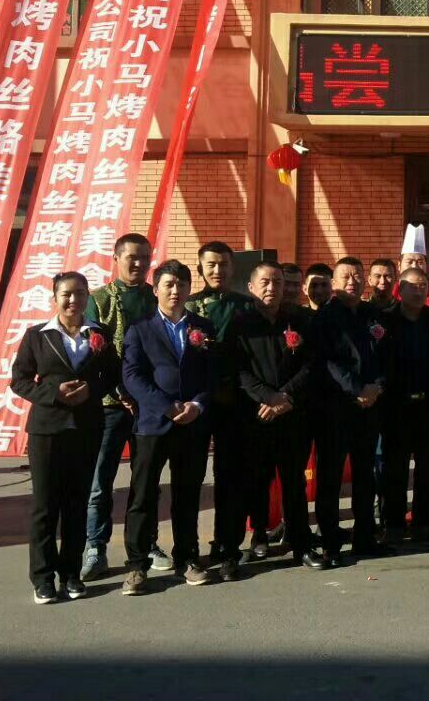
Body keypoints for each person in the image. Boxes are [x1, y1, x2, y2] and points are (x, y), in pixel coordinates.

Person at [13, 272, 120, 604]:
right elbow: (19, 380)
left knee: (77, 504)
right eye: (66, 294)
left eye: (80, 293)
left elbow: (113, 374)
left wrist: (92, 390)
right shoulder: (37, 335)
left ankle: (71, 573)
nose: (73, 300)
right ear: (55, 297)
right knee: (46, 506)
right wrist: (53, 393)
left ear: (88, 297)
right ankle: (43, 578)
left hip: (86, 428)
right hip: (47, 429)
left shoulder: (99, 334)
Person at [120, 260, 215, 595]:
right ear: (156, 289)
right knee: (143, 495)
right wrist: (165, 405)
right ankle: (136, 565)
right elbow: (132, 375)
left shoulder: (203, 327)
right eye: (169, 284)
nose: (175, 291)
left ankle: (187, 558)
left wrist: (197, 405)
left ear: (189, 289)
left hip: (192, 424)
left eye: (182, 285)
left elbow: (213, 374)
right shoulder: (140, 328)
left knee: (187, 494)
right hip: (152, 424)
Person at [235, 262, 321, 574]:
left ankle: (301, 543)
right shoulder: (241, 323)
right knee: (258, 479)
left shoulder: (298, 321)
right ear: (251, 287)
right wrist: (266, 397)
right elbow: (238, 369)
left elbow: (310, 365)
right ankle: (259, 533)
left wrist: (285, 397)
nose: (272, 288)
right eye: (265, 282)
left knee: (294, 481)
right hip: (257, 415)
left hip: (291, 414)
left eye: (278, 282)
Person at [308, 256, 394, 559]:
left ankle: (365, 536)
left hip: (370, 407)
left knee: (365, 474)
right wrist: (357, 390)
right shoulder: (325, 317)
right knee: (330, 476)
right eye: (346, 276)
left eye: (357, 276)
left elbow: (386, 355)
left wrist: (377, 387)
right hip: (335, 407)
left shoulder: (373, 315)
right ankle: (330, 541)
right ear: (334, 282)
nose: (352, 281)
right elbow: (327, 362)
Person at [81, 232, 156, 581]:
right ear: (116, 258)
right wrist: (119, 390)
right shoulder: (97, 300)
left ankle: (146, 544)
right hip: (110, 404)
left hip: (148, 405)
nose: (139, 263)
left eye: (145, 257)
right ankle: (95, 547)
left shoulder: (155, 297)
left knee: (146, 480)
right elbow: (93, 352)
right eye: (132, 257)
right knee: (101, 481)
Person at [185, 241, 259, 568]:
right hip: (197, 403)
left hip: (236, 402)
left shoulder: (248, 306)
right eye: (211, 265)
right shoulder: (188, 307)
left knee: (231, 475)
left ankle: (228, 544)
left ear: (233, 267)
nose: (218, 270)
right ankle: (187, 549)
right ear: (200, 269)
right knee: (191, 476)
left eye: (224, 264)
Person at [379, 268, 429, 544]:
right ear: (400, 289)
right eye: (412, 286)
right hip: (395, 405)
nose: (419, 291)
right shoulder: (385, 321)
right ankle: (393, 523)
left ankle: (425, 522)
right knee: (394, 467)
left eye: (423, 286)